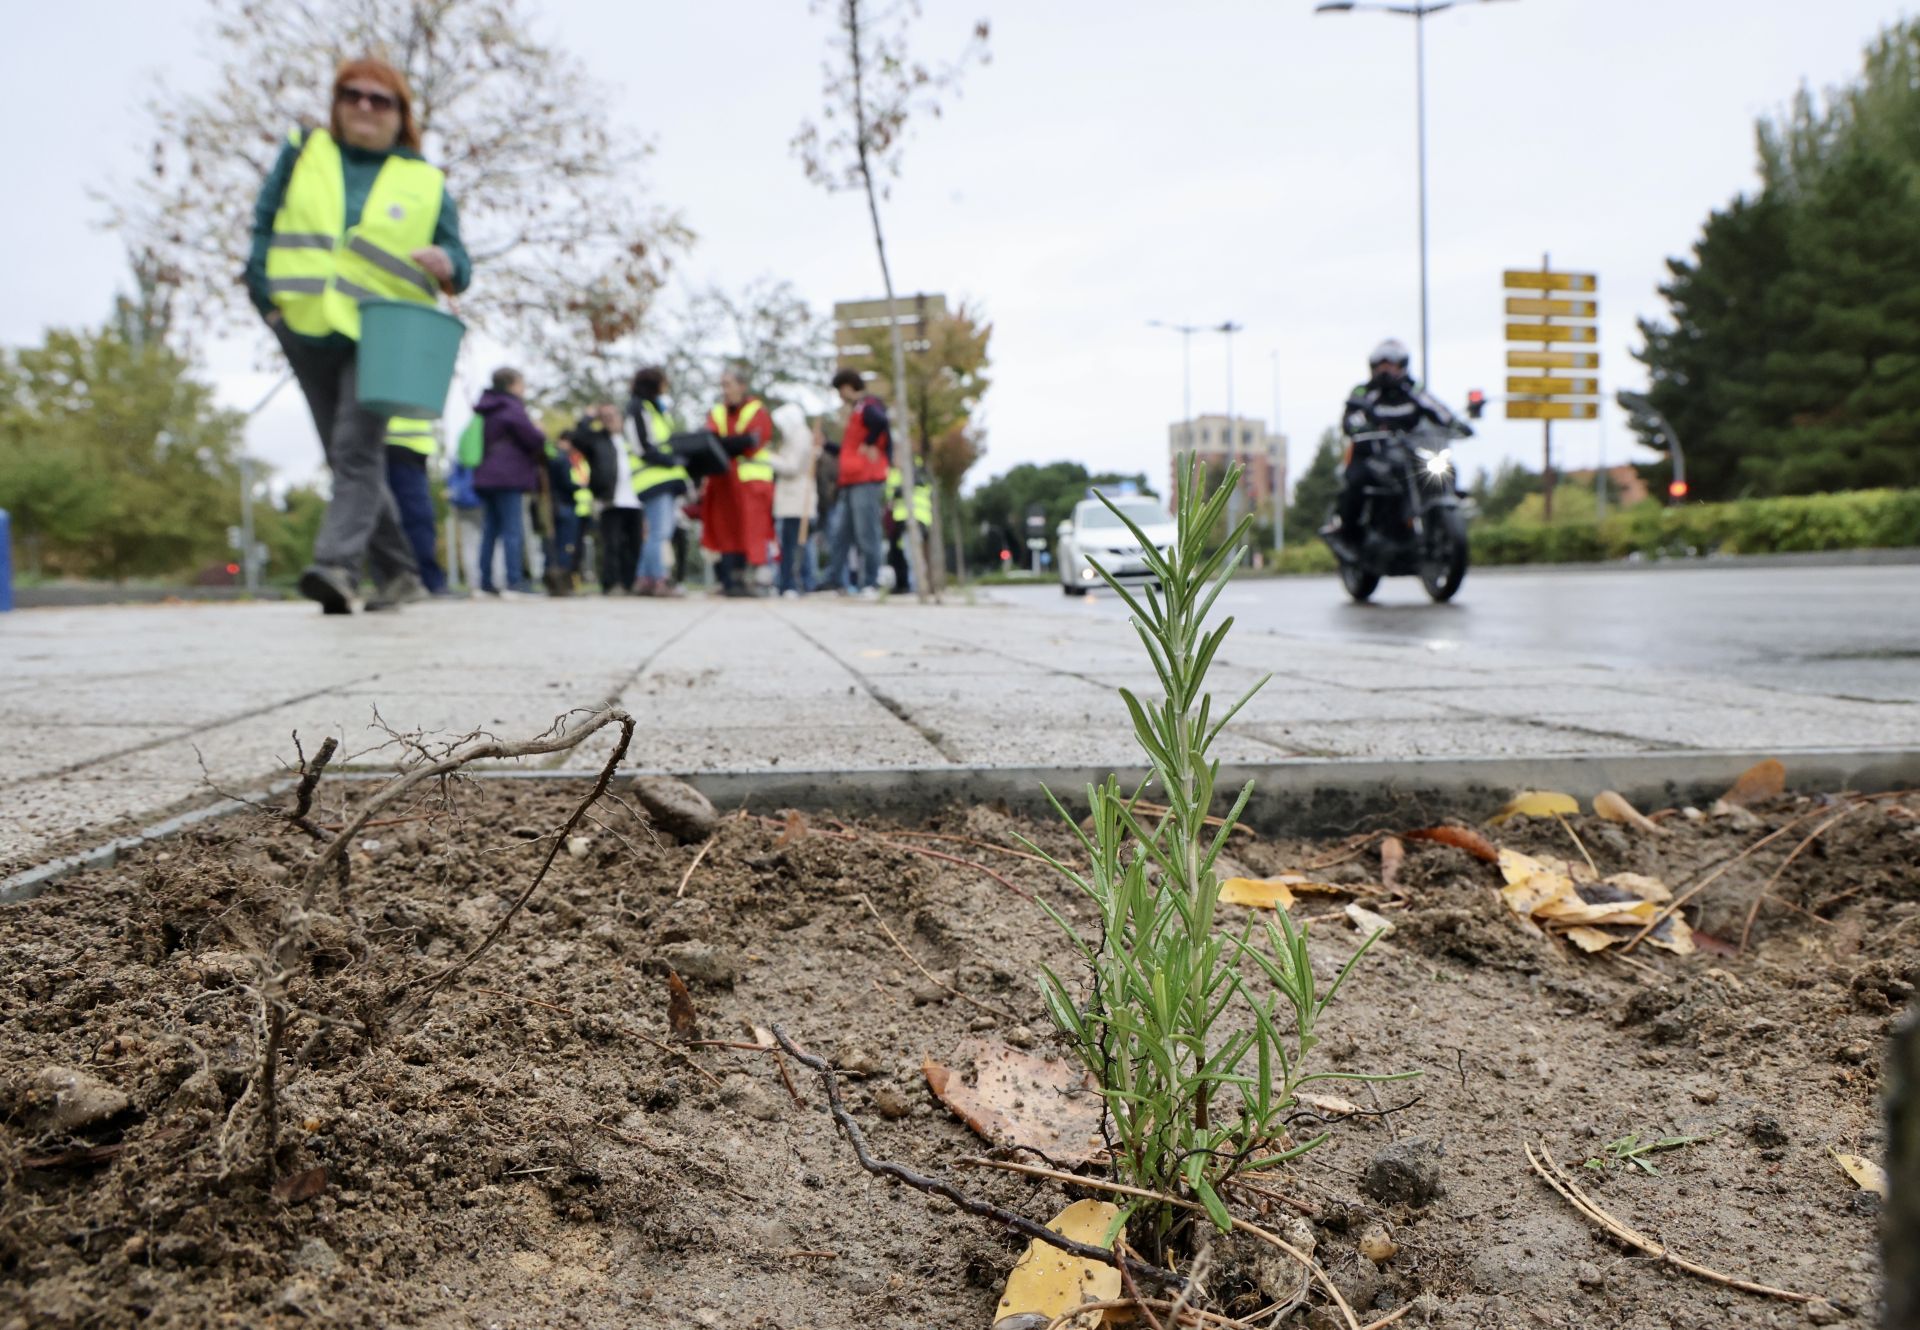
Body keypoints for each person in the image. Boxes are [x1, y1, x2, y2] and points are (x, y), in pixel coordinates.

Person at [246, 56, 471, 614]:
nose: (365, 106)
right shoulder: (303, 153)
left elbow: (460, 263)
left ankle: (336, 568)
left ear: (401, 114)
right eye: (353, 95)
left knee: (355, 448)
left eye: (380, 99)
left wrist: (448, 262)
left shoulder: (425, 181)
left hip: (381, 333)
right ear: (336, 103)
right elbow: (264, 223)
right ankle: (399, 573)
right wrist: (264, 300)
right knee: (347, 455)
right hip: (302, 324)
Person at [1323, 338, 1462, 560]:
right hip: (1373, 453)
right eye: (1381, 365)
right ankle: (1347, 533)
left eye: (1392, 365)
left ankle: (1433, 522)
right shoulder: (1364, 391)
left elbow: (1439, 410)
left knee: (1445, 470)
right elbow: (1352, 416)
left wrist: (1456, 424)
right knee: (1357, 481)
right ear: (1373, 367)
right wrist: (1357, 425)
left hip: (1409, 452)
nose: (1386, 370)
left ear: (1402, 366)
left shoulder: (1414, 390)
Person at [471, 367, 546, 596]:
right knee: (513, 529)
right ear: (512, 384)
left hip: (486, 474)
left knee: (490, 530)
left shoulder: (487, 407)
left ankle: (485, 583)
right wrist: (540, 432)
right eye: (521, 384)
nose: (523, 389)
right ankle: (515, 582)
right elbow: (532, 438)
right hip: (508, 474)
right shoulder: (511, 406)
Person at [703, 368, 775, 597]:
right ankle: (729, 581)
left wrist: (724, 444)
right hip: (723, 483)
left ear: (742, 386)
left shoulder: (757, 410)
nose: (725, 390)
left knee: (751, 533)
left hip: (750, 485)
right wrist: (733, 442)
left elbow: (754, 441)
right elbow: (707, 440)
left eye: (729, 384)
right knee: (725, 532)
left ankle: (750, 580)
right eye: (722, 385)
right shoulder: (716, 412)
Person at [824, 369, 890, 598]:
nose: (840, 397)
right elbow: (848, 451)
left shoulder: (868, 405)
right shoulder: (855, 413)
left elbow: (882, 422)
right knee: (841, 533)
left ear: (847, 387)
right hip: (849, 480)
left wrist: (870, 442)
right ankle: (835, 581)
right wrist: (826, 445)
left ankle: (870, 582)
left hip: (866, 479)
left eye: (840, 391)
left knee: (866, 533)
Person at [628, 368, 688, 597]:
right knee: (659, 532)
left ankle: (644, 578)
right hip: (651, 477)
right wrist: (669, 459)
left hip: (665, 478)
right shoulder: (638, 408)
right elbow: (642, 446)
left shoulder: (657, 409)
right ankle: (659, 579)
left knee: (659, 530)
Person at [382, 416, 452, 597]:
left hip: (389, 447)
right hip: (402, 448)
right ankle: (427, 581)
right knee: (417, 518)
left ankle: (392, 581)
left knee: (385, 516)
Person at [770, 402, 820, 597]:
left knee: (794, 545)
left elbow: (791, 467)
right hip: (793, 501)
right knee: (795, 544)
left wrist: (767, 457)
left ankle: (791, 583)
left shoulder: (800, 436)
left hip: (796, 501)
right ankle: (796, 583)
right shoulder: (795, 437)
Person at [886, 459, 933, 593]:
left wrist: (900, 490)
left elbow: (922, 487)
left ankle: (918, 586)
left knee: (912, 555)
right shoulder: (894, 472)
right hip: (901, 519)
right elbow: (890, 497)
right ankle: (913, 585)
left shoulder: (916, 467)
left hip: (917, 517)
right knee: (906, 554)